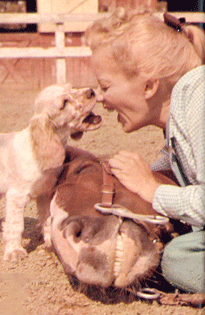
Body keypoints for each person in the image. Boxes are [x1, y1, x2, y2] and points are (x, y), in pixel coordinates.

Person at [85, 8, 205, 293]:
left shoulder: (198, 97)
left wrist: (151, 190)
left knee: (177, 258)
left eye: (105, 86)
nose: (100, 98)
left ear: (149, 85)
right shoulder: (181, 109)